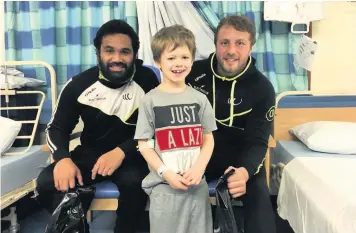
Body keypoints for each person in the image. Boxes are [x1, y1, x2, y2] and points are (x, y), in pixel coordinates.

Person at [36, 19, 159, 233]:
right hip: (91, 155)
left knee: (135, 184)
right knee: (47, 181)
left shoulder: (147, 80)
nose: (117, 59)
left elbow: (157, 127)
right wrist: (63, 158)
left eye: (125, 52)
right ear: (98, 53)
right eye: (109, 51)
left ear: (134, 54)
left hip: (132, 155)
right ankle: (76, 226)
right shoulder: (79, 84)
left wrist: (122, 151)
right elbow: (57, 128)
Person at [186, 15, 277, 233]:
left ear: (251, 47)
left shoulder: (262, 88)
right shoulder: (193, 73)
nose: (231, 51)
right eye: (224, 42)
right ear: (216, 44)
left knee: (258, 193)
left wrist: (244, 172)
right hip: (197, 155)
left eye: (240, 43)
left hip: (238, 158)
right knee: (180, 192)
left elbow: (258, 141)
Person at [134, 25, 217, 233]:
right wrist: (165, 173)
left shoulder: (200, 99)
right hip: (164, 188)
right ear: (158, 62)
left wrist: (199, 168)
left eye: (184, 57)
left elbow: (208, 139)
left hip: (196, 187)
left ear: (192, 59)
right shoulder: (149, 100)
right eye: (171, 58)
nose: (178, 63)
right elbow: (144, 145)